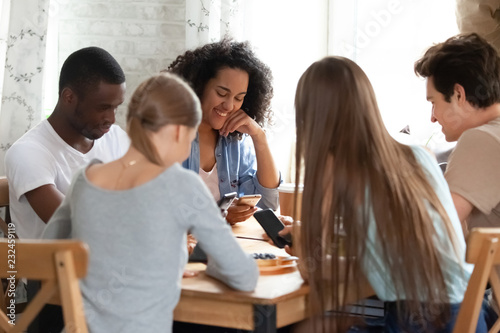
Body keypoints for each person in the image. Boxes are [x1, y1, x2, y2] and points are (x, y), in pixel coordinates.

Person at [42, 72, 259, 333]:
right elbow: (244, 276)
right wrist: (210, 269)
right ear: (180, 132)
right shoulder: (183, 184)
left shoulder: (85, 179)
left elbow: (47, 252)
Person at [282, 56, 485, 332]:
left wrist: (304, 242)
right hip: (467, 318)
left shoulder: (335, 166)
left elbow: (311, 269)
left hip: (420, 321)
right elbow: (398, 256)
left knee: (304, 328)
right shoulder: (418, 154)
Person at [4, 46, 130, 240]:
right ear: (68, 97)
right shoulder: (28, 153)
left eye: (116, 107)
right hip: (50, 269)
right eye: (103, 108)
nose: (112, 119)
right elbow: (75, 227)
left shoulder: (115, 138)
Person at [167, 38, 280, 224]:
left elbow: (268, 205)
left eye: (239, 98)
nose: (229, 106)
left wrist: (259, 137)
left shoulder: (234, 142)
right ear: (198, 86)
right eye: (221, 93)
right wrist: (220, 215)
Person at [415, 33, 500, 234]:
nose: (433, 118)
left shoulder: (482, 139)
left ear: (458, 95)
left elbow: (434, 228)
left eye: (433, 103)